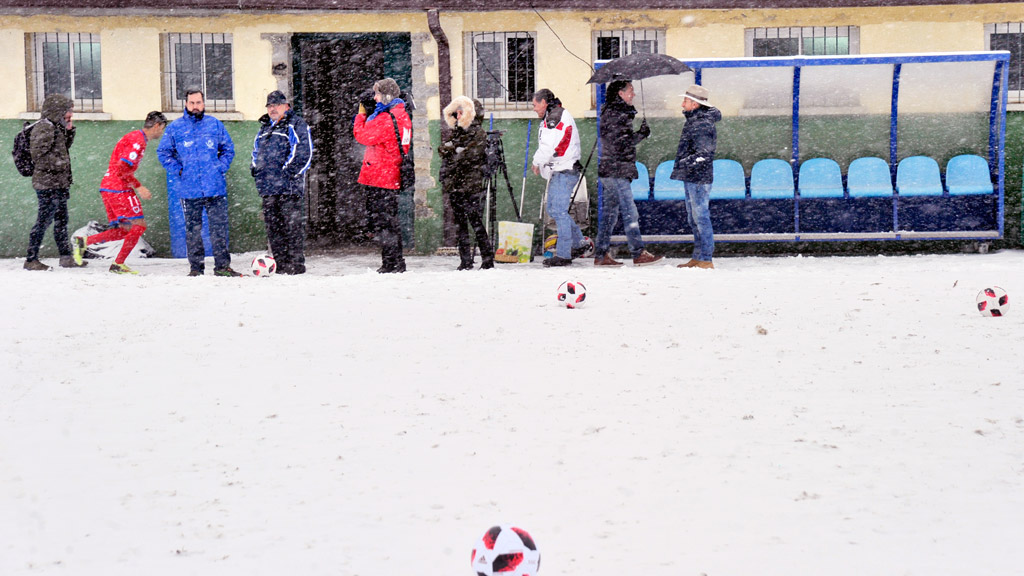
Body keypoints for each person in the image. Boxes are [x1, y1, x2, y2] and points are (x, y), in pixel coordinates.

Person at [157, 87, 242, 277]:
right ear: (186, 104)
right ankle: (196, 268)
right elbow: (163, 153)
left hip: (215, 188)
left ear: (204, 104)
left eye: (199, 102)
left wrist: (219, 167)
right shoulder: (175, 128)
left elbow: (228, 149)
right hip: (189, 189)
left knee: (218, 229)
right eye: (192, 103)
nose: (195, 106)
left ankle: (222, 267)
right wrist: (179, 169)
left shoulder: (215, 125)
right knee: (192, 231)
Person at [71, 112, 168, 275]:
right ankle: (118, 264)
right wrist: (139, 187)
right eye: (163, 129)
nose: (162, 133)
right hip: (119, 188)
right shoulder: (138, 142)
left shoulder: (135, 137)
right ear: (157, 126)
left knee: (124, 230)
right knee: (138, 226)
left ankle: (85, 242)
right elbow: (123, 167)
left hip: (108, 186)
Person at [594, 80, 663, 267]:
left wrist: (639, 133)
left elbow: (620, 141)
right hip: (616, 171)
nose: (633, 94)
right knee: (629, 212)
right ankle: (638, 252)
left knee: (609, 214)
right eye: (630, 91)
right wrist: (641, 134)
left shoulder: (613, 112)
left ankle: (601, 254)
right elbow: (622, 144)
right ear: (620, 94)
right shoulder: (617, 114)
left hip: (610, 170)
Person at [251, 90, 314, 275]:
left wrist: (287, 173)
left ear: (286, 106)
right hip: (268, 189)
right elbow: (255, 152)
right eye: (270, 106)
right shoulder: (263, 129)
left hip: (288, 188)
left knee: (291, 228)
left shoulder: (296, 124)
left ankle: (296, 265)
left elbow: (304, 153)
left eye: (276, 105)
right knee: (273, 229)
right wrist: (255, 169)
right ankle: (279, 265)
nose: (273, 109)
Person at [353, 77, 412, 274]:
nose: (375, 98)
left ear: (386, 95)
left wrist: (361, 114)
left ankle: (391, 263)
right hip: (391, 173)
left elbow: (362, 135)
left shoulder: (386, 119)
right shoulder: (401, 115)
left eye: (377, 94)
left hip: (381, 176)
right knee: (390, 221)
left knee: (385, 222)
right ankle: (396, 261)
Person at [24, 94, 85, 271]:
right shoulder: (44, 127)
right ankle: (31, 259)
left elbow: (63, 148)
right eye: (69, 110)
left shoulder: (55, 126)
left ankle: (65, 257)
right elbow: (38, 156)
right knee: (44, 220)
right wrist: (61, 164)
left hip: (58, 183)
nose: (70, 114)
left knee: (61, 220)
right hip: (47, 184)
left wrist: (69, 130)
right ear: (57, 110)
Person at [531, 89, 586, 267]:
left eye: (535, 104)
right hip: (561, 169)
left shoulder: (554, 117)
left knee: (560, 211)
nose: (534, 109)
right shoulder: (555, 114)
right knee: (554, 209)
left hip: (565, 169)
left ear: (544, 102)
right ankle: (579, 244)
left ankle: (563, 254)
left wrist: (536, 162)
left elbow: (548, 146)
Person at [439, 95, 493, 270]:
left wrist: (454, 152)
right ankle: (465, 260)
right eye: (457, 112)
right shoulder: (458, 132)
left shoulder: (478, 133)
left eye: (462, 112)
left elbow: (470, 155)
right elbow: (443, 149)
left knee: (475, 220)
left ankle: (487, 258)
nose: (458, 116)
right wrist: (455, 151)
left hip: (470, 184)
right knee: (460, 223)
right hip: (454, 183)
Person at [671, 84, 722, 269]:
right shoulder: (697, 120)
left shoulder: (700, 123)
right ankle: (699, 256)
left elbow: (704, 154)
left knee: (700, 218)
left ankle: (706, 258)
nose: (682, 103)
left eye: (685, 100)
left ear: (694, 104)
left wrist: (685, 163)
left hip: (698, 178)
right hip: (694, 176)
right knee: (695, 218)